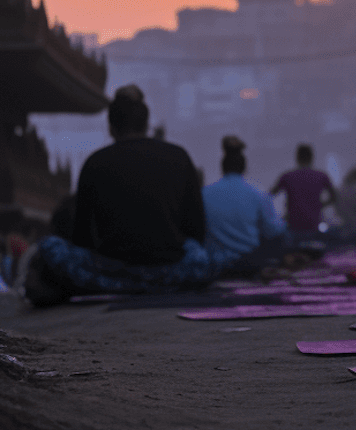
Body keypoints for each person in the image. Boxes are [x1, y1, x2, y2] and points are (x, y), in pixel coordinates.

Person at [23, 89, 214, 305]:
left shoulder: (94, 163)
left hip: (107, 275)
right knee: (200, 256)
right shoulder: (179, 156)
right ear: (145, 124)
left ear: (111, 128)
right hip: (170, 273)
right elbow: (196, 230)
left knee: (50, 245)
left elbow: (82, 238)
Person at [203, 136, 288, 273]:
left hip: (213, 265)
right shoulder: (258, 195)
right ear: (244, 167)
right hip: (249, 265)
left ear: (222, 167)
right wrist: (284, 222)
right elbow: (272, 231)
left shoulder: (205, 194)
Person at [271, 144, 335, 237]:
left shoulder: (287, 177)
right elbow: (334, 197)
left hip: (293, 225)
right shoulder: (322, 176)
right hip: (314, 224)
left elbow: (269, 195)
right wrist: (319, 205)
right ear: (312, 158)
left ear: (297, 158)